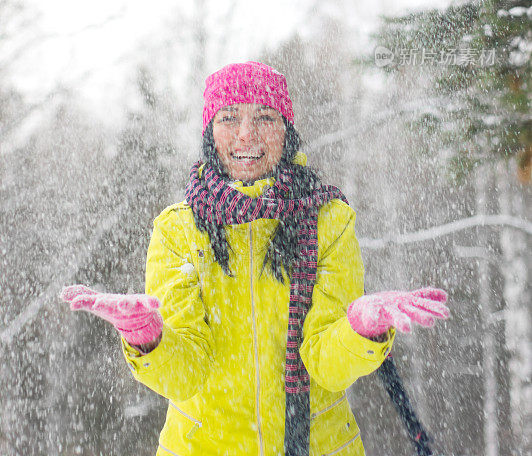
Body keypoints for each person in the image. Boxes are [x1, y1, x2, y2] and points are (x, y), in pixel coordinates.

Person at [61, 61, 449, 456]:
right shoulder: (177, 230)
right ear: (210, 134)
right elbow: (187, 375)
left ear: (287, 132)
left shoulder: (328, 219)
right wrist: (148, 340)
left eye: (264, 117)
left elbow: (327, 365)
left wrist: (360, 329)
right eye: (229, 118)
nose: (247, 134)